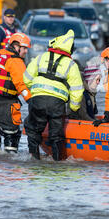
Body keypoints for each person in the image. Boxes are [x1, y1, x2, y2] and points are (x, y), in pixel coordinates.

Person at [23, 30, 84, 161]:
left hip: (38, 100)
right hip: (57, 103)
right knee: (56, 135)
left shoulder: (40, 57)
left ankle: (34, 160)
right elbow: (77, 90)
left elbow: (26, 78)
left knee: (33, 131)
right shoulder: (71, 64)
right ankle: (57, 162)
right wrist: (73, 109)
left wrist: (35, 91)